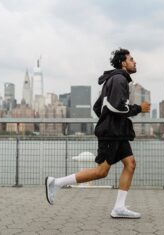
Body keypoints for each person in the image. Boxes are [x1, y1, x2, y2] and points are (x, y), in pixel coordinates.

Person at [45, 48, 150, 219]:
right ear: (123, 63)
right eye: (131, 59)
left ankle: (119, 207)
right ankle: (55, 183)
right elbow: (116, 107)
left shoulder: (115, 80)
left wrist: (110, 120)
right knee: (101, 171)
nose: (135, 61)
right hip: (111, 133)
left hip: (117, 132)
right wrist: (139, 109)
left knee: (130, 164)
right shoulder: (118, 79)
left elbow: (98, 107)